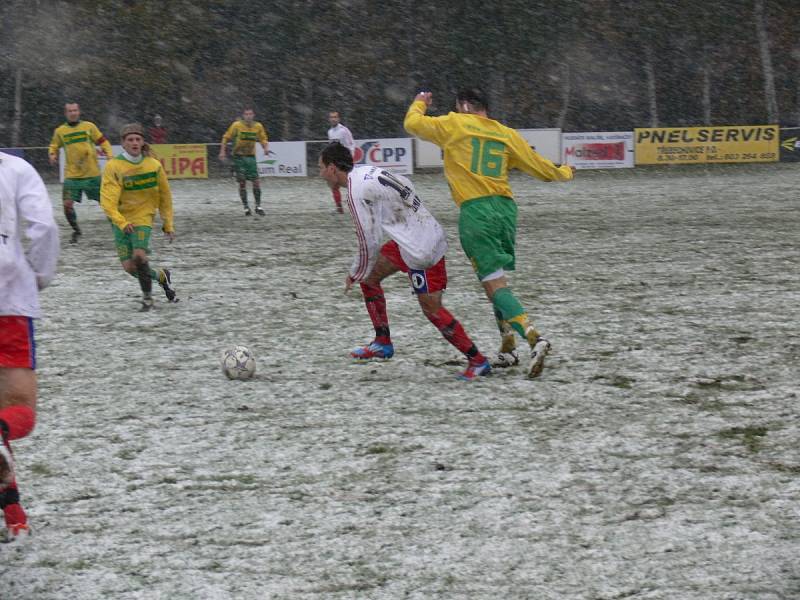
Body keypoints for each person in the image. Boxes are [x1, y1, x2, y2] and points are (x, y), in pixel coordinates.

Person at [404, 87, 575, 379]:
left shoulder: (454, 123)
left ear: (465, 105)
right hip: (506, 210)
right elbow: (541, 170)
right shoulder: (505, 133)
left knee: (494, 284)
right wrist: (564, 171)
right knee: (494, 278)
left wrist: (420, 102)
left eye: (458, 106)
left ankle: (535, 338)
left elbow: (412, 124)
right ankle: (507, 348)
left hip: (476, 211)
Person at [319, 142, 490, 380]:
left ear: (333, 168)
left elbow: (369, 239)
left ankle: (477, 360)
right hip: (417, 236)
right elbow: (407, 185)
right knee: (370, 277)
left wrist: (354, 272)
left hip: (421, 250)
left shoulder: (355, 190)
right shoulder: (368, 172)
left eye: (322, 168)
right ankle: (382, 342)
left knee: (431, 309)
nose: (320, 173)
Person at [0, 151, 60, 542]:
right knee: (16, 413)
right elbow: (44, 227)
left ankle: (14, 513)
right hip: (7, 299)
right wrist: (37, 275)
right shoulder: (15, 168)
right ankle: (14, 514)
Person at [100, 123, 177, 311]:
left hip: (143, 219)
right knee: (129, 267)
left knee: (139, 256)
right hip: (120, 221)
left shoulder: (154, 166)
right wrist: (120, 221)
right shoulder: (114, 166)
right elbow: (107, 201)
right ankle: (160, 276)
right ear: (123, 144)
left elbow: (165, 196)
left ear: (143, 142)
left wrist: (168, 224)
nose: (134, 143)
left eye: (137, 139)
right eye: (130, 140)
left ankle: (147, 299)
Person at [48, 102, 114, 244]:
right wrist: (52, 154)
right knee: (67, 205)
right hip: (72, 176)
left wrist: (109, 155)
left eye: (75, 110)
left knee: (106, 202)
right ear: (66, 114)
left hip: (92, 174)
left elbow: (103, 141)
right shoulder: (60, 131)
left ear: (79, 112)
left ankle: (117, 227)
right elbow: (54, 145)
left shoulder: (89, 127)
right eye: (70, 111)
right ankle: (76, 230)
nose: (73, 113)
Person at [218, 108, 269, 216]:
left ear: (253, 115)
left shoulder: (258, 126)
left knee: (256, 181)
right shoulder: (236, 125)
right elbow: (226, 137)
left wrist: (265, 147)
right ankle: (246, 207)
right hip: (239, 157)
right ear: (243, 116)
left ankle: (258, 206)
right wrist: (222, 151)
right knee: (242, 183)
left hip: (251, 157)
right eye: (246, 114)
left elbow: (263, 138)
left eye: (250, 114)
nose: (248, 116)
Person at [326, 111, 355, 214]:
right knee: (333, 184)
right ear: (329, 119)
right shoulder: (330, 132)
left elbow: (351, 144)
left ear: (338, 119)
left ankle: (355, 206)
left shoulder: (344, 130)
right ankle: (339, 208)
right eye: (331, 117)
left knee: (350, 185)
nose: (333, 119)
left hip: (344, 161)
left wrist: (349, 158)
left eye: (335, 117)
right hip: (334, 161)